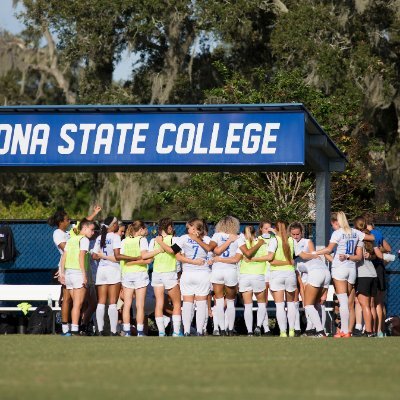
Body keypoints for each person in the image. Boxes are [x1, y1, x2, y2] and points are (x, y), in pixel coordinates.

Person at [314, 212, 373, 338]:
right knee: (349, 303)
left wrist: (314, 252)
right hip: (352, 269)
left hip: (339, 268)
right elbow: (372, 238)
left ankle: (344, 330)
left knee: (343, 302)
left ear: (337, 222)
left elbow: (329, 249)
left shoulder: (338, 233)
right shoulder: (355, 232)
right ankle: (347, 331)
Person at [117, 220, 157, 337]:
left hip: (126, 274)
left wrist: (131, 262)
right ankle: (140, 332)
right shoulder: (142, 240)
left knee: (127, 304)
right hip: (139, 273)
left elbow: (123, 258)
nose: (146, 231)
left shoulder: (124, 241)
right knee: (140, 305)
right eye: (145, 229)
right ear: (140, 230)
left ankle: (127, 331)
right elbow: (145, 257)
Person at [289, 222, 329, 337]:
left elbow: (312, 254)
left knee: (311, 304)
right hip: (317, 272)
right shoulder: (290, 243)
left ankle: (318, 330)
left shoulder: (306, 242)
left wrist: (305, 254)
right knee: (315, 303)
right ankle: (312, 329)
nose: (296, 236)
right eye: (293, 234)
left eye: (298, 234)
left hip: (313, 274)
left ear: (302, 233)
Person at [229, 225, 269, 336]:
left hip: (244, 276)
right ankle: (258, 326)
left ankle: (250, 331)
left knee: (248, 305)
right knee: (261, 304)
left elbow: (237, 259)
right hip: (258, 275)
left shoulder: (242, 244)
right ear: (255, 232)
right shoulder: (262, 243)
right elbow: (268, 257)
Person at [59, 219, 95, 335]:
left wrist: (62, 272)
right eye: (92, 229)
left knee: (75, 303)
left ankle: (72, 329)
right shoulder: (84, 240)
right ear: (84, 228)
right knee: (77, 304)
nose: (93, 232)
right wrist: (84, 275)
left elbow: (64, 257)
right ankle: (75, 329)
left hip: (69, 273)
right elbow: (81, 257)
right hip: (77, 273)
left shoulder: (71, 239)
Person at [177, 219, 212, 336]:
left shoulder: (182, 238)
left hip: (187, 274)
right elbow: (211, 250)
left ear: (194, 228)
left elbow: (175, 254)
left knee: (187, 303)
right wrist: (195, 262)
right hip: (203, 274)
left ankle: (187, 330)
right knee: (201, 303)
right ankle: (199, 331)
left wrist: (189, 261)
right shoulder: (207, 239)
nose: (187, 230)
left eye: (189, 227)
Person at [149, 217, 183, 337]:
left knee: (159, 303)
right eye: (171, 226)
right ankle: (176, 332)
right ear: (168, 227)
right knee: (177, 303)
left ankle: (161, 332)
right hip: (169, 273)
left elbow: (149, 257)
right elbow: (173, 251)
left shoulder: (153, 241)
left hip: (157, 274)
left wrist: (159, 242)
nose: (172, 228)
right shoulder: (175, 239)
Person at [208, 216, 240, 336]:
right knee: (231, 302)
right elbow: (238, 257)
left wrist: (219, 258)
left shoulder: (216, 236)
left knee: (219, 301)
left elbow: (215, 251)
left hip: (217, 270)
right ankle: (230, 330)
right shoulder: (238, 237)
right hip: (231, 270)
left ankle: (221, 329)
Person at [92, 216, 121, 336]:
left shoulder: (99, 238)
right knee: (113, 302)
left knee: (101, 301)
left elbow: (94, 256)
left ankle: (100, 330)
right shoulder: (116, 237)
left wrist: (101, 256)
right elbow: (117, 256)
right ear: (113, 225)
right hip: (113, 269)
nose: (118, 225)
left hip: (101, 271)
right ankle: (113, 331)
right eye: (117, 224)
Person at [353, 216, 382, 337]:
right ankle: (374, 331)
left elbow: (356, 256)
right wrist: (370, 256)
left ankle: (369, 331)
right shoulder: (370, 238)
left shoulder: (357, 238)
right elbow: (377, 255)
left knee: (364, 305)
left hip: (363, 275)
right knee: (371, 306)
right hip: (373, 274)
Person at [267, 221, 297, 337]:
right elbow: (295, 257)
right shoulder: (292, 240)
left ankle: (283, 332)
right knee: (291, 303)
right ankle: (292, 330)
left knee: (279, 305)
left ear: (275, 228)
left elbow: (271, 260)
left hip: (277, 274)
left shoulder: (274, 240)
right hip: (290, 273)